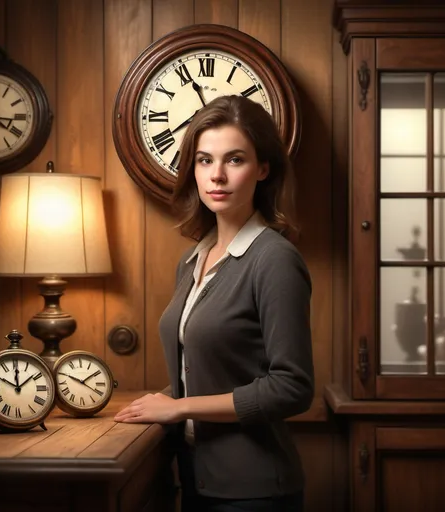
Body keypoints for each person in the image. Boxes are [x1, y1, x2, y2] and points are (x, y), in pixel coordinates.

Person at [114, 95, 314, 512]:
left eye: (234, 160)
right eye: (204, 160)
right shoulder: (194, 259)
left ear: (263, 169)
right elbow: (201, 370)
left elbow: (292, 388)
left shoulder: (273, 258)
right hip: (194, 479)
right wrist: (156, 404)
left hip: (254, 492)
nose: (217, 176)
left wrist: (179, 407)